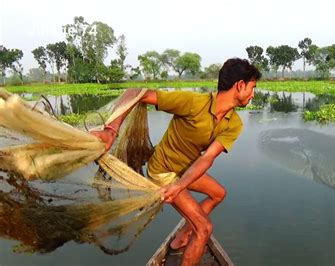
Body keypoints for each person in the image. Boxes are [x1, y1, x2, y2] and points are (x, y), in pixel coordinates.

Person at [91, 58, 261, 265]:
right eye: (252, 88)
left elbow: (207, 158)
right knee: (204, 229)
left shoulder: (234, 123)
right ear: (240, 85)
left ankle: (182, 236)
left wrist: (180, 186)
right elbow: (135, 93)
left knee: (218, 194)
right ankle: (193, 232)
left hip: (184, 170)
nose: (253, 94)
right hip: (162, 171)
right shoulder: (193, 103)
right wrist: (111, 130)